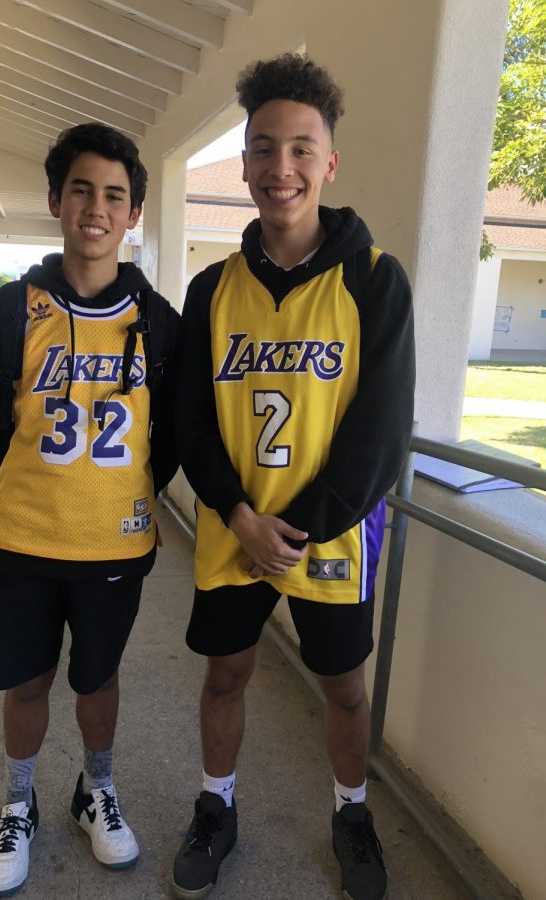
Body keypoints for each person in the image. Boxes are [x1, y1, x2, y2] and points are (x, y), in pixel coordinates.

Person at [171, 53, 415, 900]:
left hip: (332, 534)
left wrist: (299, 527)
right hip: (234, 528)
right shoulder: (211, 290)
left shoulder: (374, 280)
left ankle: (351, 814)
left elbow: (379, 431)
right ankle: (216, 805)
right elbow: (188, 423)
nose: (282, 169)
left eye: (301, 149)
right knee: (226, 674)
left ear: (329, 162)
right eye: (264, 149)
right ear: (243, 163)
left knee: (342, 691)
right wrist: (241, 517)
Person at [0, 122, 180, 898]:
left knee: (98, 679)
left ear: (131, 216)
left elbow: (175, 434)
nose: (96, 207)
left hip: (115, 544)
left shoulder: (158, 322)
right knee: (27, 681)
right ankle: (16, 802)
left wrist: (118, 497)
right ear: (56, 199)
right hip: (24, 539)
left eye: (114, 195)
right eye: (81, 189)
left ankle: (96, 791)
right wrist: (30, 487)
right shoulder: (12, 310)